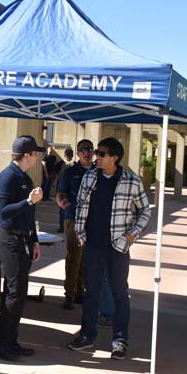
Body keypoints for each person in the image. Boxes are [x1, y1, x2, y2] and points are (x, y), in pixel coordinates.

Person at [67, 137, 151, 360]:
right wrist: (79, 231)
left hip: (118, 247)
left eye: (101, 154)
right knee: (91, 292)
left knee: (120, 293)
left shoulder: (131, 181)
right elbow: (81, 206)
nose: (96, 157)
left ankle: (120, 340)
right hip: (92, 244)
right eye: (96, 153)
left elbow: (145, 211)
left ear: (114, 157)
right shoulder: (89, 177)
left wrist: (131, 236)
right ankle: (87, 335)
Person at [0, 135, 44, 361]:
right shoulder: (7, 177)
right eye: (35, 153)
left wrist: (35, 240)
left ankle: (10, 341)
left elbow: (29, 215)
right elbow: (4, 213)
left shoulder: (24, 177)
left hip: (23, 240)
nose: (38, 156)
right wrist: (28, 201)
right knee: (14, 293)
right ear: (27, 155)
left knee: (19, 294)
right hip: (9, 239)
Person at [56, 139, 93, 309]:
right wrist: (62, 201)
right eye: (83, 149)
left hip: (93, 221)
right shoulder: (70, 172)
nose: (86, 152)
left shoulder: (99, 172)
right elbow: (61, 193)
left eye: (89, 149)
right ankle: (69, 295)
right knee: (73, 256)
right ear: (77, 153)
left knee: (86, 258)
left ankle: (80, 292)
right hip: (74, 219)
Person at [57, 147, 74, 232]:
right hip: (64, 190)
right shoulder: (62, 163)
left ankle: (63, 227)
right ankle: (62, 227)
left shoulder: (63, 163)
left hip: (66, 190)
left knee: (64, 209)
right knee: (63, 209)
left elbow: (55, 173)